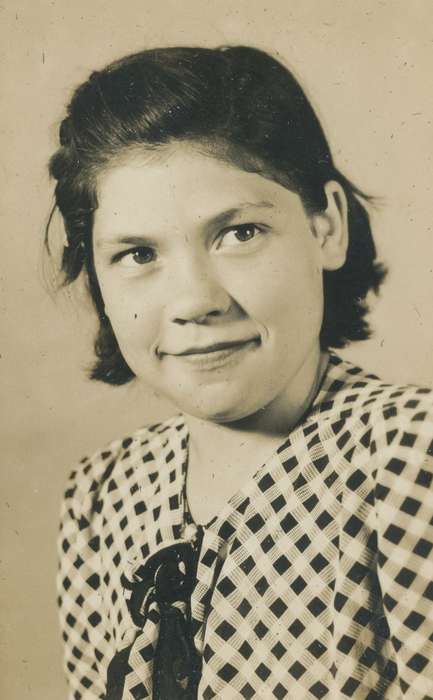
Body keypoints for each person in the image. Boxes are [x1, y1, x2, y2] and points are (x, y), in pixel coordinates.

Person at [49, 46, 433, 700]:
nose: (196, 298)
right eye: (138, 253)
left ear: (326, 227)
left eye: (239, 233)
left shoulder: (407, 456)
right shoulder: (97, 498)